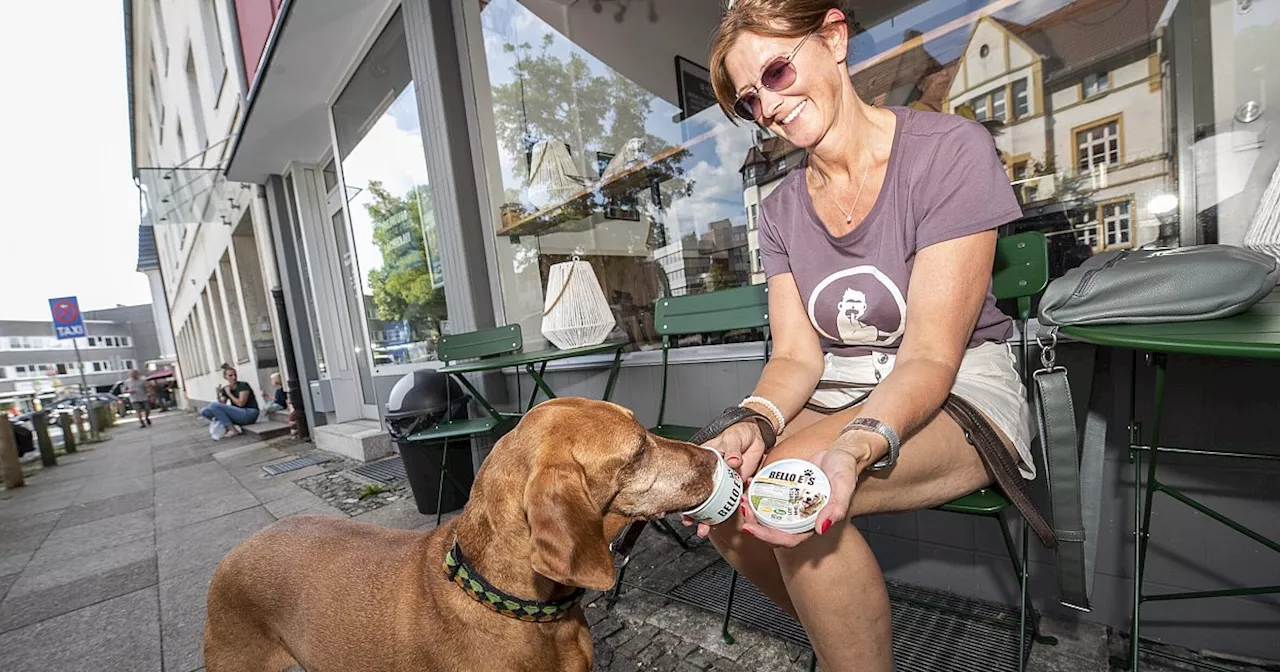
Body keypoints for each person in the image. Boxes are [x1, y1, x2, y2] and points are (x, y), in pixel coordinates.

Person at [693, 2, 1038, 670]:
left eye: (777, 70)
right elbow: (796, 356)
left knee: (796, 493)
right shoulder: (781, 208)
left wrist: (853, 447)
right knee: (723, 490)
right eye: (749, 100)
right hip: (840, 389)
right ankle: (849, 644)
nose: (768, 106)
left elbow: (932, 355)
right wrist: (756, 421)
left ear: (834, 38)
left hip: (958, 386)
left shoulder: (947, 150)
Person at [201, 364, 259, 438]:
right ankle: (228, 426)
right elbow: (220, 405)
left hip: (249, 413)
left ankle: (232, 430)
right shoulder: (226, 388)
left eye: (235, 375)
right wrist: (218, 394)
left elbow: (241, 404)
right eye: (230, 376)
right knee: (205, 411)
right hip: (238, 414)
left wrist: (229, 393)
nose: (234, 377)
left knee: (213, 405)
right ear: (225, 377)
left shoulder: (243, 385)